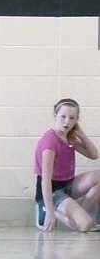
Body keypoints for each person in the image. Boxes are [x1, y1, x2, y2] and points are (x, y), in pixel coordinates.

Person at [34, 98, 100, 232]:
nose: (67, 122)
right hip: (52, 191)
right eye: (63, 116)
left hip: (67, 185)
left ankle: (81, 212)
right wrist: (52, 213)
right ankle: (47, 209)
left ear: (76, 121)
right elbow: (45, 181)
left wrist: (81, 135)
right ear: (55, 116)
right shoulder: (50, 142)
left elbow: (94, 155)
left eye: (72, 118)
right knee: (86, 225)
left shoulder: (69, 138)